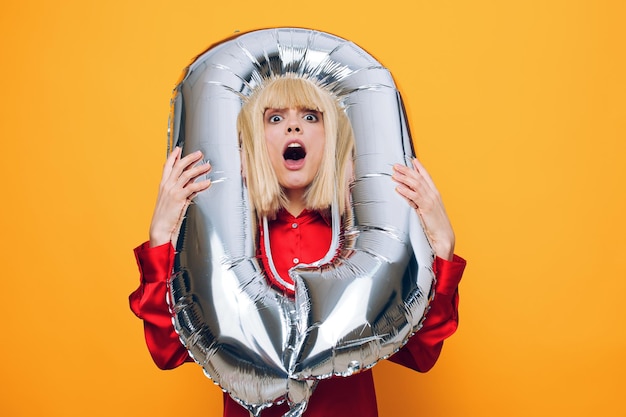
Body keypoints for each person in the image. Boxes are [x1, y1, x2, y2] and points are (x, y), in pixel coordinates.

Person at [130, 74, 466, 417]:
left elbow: (420, 353)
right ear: (255, 141)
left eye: (310, 116)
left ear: (331, 135)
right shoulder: (222, 246)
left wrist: (442, 250)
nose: (294, 127)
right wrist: (160, 239)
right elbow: (168, 351)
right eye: (275, 118)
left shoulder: (364, 247)